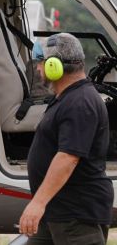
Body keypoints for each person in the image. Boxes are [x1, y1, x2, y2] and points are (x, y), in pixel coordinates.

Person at [19, 33, 114, 244]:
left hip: (75, 214)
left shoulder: (80, 102)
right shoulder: (67, 98)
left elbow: (68, 158)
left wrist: (37, 203)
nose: (38, 68)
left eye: (41, 62)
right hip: (58, 208)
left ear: (55, 65)